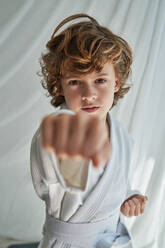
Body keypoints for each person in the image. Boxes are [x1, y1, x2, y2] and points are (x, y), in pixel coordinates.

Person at [30, 13, 148, 248]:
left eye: (100, 80)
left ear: (116, 82)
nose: (89, 94)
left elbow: (114, 185)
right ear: (59, 85)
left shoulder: (120, 134)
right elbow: (70, 177)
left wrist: (129, 196)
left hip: (110, 238)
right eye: (75, 82)